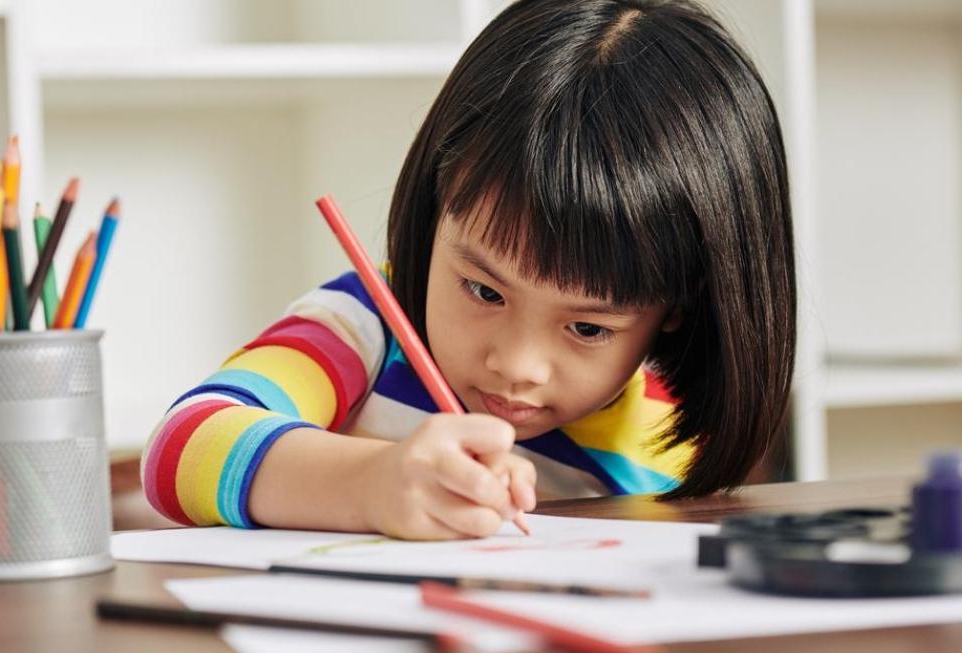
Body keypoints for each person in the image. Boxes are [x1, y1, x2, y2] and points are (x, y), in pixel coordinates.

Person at [141, 0, 796, 540]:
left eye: (589, 328)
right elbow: (181, 446)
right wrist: (371, 485)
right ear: (436, 201)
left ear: (677, 306)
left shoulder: (666, 439)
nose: (517, 364)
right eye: (484, 289)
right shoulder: (362, 327)